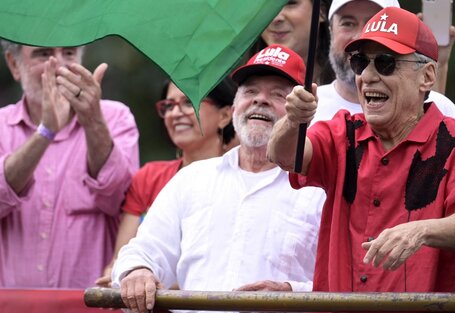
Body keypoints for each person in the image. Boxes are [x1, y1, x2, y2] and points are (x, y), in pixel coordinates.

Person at [268, 6, 455, 295]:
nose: (368, 76)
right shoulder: (343, 132)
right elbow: (283, 156)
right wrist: (292, 120)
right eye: (361, 62)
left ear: (426, 77)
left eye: (386, 62)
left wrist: (421, 230)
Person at [112, 44, 326, 313]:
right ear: (234, 106)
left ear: (302, 111)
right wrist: (137, 272)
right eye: (250, 91)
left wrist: (292, 293)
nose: (260, 100)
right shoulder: (191, 179)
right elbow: (142, 251)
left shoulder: (321, 188)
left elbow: (343, 281)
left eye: (278, 94)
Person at [0, 41, 139, 288]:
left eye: (68, 53)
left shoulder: (116, 117)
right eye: (43, 55)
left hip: (89, 304)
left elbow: (120, 199)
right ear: (14, 64)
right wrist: (46, 132)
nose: (60, 65)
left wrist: (93, 120)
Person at [95, 77, 237, 287]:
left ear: (225, 115)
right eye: (169, 106)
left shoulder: (243, 181)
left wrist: (162, 284)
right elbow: (121, 258)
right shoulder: (150, 178)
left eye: (189, 102)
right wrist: (119, 275)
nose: (176, 113)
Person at [312, 0, 455, 124]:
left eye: (374, 22)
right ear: (331, 31)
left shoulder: (444, 111)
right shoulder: (305, 110)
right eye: (347, 23)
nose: (359, 36)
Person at [255, 0, 335, 85]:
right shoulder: (240, 85)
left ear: (321, 11)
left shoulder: (349, 84)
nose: (276, 18)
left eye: (290, 3)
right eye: (265, 6)